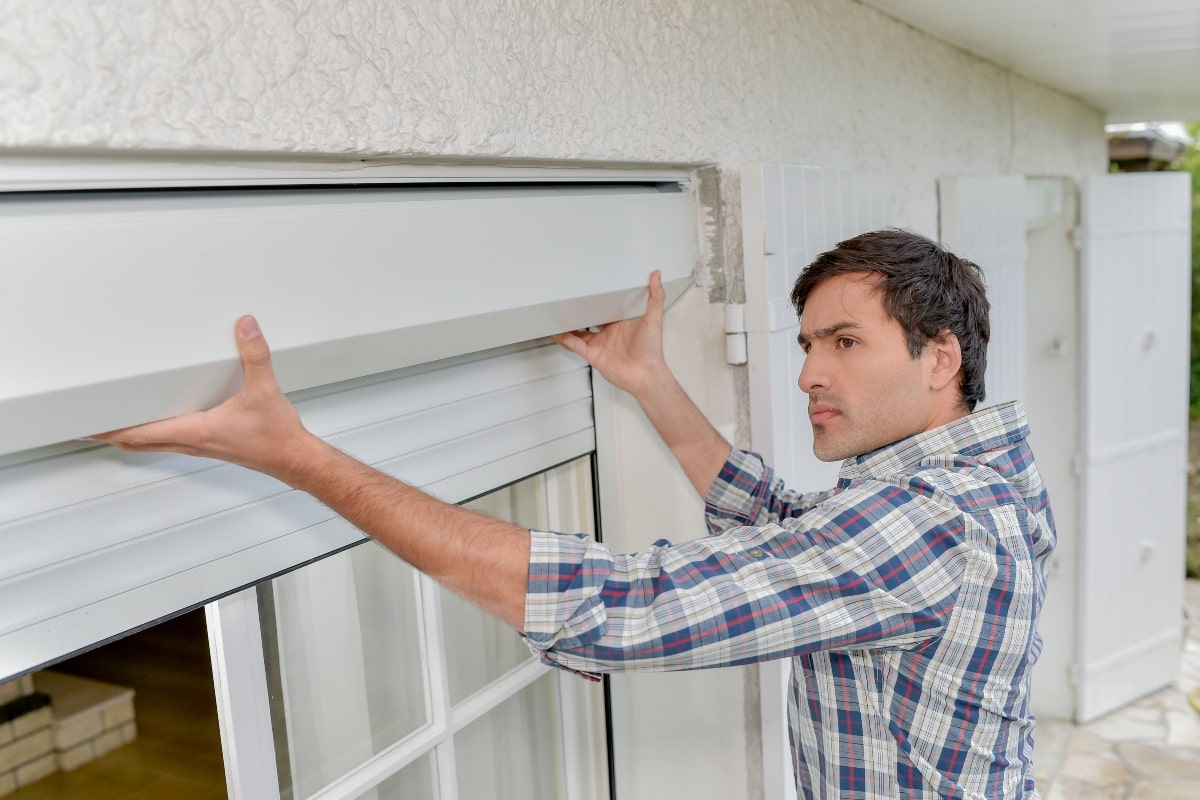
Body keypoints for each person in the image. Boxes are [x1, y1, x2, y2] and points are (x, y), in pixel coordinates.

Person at [98, 229, 1055, 799]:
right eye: (809, 342)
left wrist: (301, 458)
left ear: (940, 359)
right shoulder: (972, 483)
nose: (810, 371)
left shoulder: (932, 525)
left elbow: (618, 607)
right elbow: (787, 527)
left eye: (846, 341)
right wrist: (650, 384)